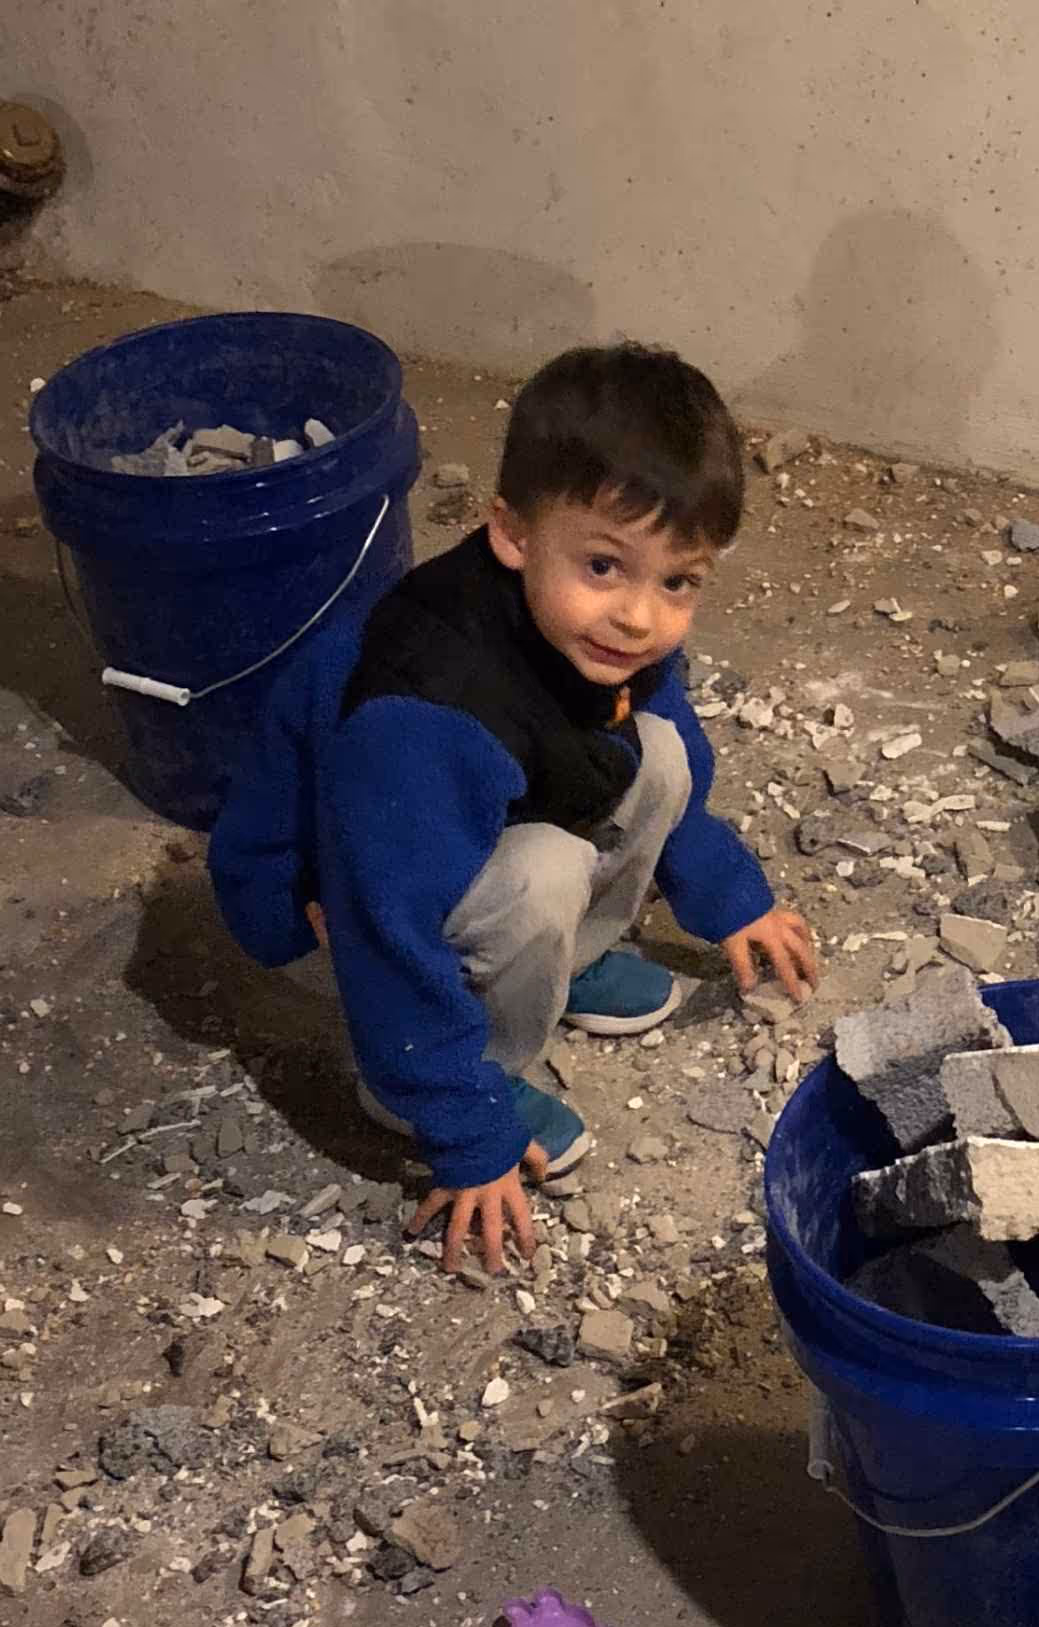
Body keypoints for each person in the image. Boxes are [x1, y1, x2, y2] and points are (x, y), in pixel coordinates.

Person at [209, 343, 818, 1274]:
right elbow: (382, 929)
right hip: (335, 913)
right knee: (545, 869)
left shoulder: (591, 631)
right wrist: (459, 1126)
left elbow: (670, 760)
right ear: (512, 534)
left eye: (677, 581)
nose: (640, 617)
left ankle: (569, 963)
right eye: (606, 566)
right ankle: (467, 1065)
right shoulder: (427, 715)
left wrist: (730, 895)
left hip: (437, 839)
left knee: (656, 755)